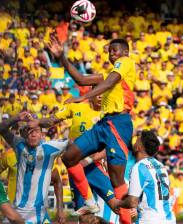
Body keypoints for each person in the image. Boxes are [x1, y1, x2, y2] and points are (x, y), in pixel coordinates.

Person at [48, 34, 135, 223]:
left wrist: (84, 97)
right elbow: (80, 79)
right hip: (103, 124)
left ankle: (127, 221)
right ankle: (89, 202)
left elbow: (110, 82)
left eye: (114, 50)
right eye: (109, 51)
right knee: (69, 157)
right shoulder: (108, 74)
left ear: (125, 52)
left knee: (117, 179)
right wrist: (61, 57)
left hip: (119, 123)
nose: (111, 54)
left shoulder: (126, 63)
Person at [32, 94, 121, 222]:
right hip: (75, 171)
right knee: (84, 218)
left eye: (104, 94)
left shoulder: (107, 115)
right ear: (93, 93)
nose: (101, 97)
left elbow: (107, 150)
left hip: (94, 168)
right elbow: (52, 120)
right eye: (99, 93)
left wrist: (87, 161)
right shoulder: (75, 107)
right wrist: (37, 122)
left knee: (115, 205)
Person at [0, 112, 65, 224]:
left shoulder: (48, 154)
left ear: (42, 135)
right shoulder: (17, 147)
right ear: (23, 134)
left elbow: (57, 180)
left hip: (38, 213)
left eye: (36, 131)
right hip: (15, 209)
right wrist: (17, 117)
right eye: (30, 131)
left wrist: (60, 210)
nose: (33, 134)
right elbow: (2, 129)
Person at [116, 131, 176, 224]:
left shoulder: (139, 167)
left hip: (150, 220)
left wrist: (117, 203)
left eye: (137, 140)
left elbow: (132, 202)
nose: (134, 141)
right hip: (169, 219)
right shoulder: (160, 165)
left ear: (138, 147)